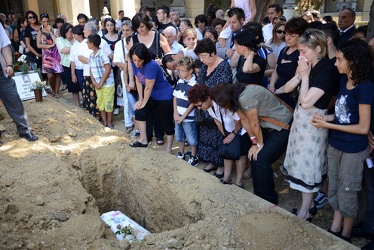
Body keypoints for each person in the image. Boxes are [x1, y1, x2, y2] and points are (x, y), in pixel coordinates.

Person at [311, 38, 374, 242]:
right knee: (336, 186)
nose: (335, 64)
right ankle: (335, 226)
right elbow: (342, 115)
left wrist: (327, 125)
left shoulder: (365, 87)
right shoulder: (342, 81)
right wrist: (325, 118)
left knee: (349, 190)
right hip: (336, 144)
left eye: (339, 59)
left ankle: (345, 236)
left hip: (353, 150)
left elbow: (363, 127)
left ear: (353, 61)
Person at [282, 29, 339, 221]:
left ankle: (304, 212)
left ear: (318, 49)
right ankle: (311, 205)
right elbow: (288, 88)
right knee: (299, 165)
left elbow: (306, 102)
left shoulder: (326, 70)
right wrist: (301, 74)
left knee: (308, 169)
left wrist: (304, 75)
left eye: (304, 51)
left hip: (314, 124)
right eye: (300, 50)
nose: (301, 55)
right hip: (300, 123)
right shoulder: (308, 65)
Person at [213, 83, 293, 204]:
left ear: (226, 99)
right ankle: (259, 194)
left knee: (261, 158)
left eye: (222, 104)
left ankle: (268, 199)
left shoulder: (245, 97)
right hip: (268, 127)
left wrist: (259, 145)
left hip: (282, 127)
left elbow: (254, 123)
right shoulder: (235, 97)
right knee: (253, 156)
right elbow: (245, 120)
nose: (221, 107)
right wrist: (254, 143)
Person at [194, 38, 233, 176]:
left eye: (203, 56)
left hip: (218, 108)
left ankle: (220, 164)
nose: (202, 59)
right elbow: (199, 83)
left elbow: (224, 89)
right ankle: (210, 160)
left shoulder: (223, 66)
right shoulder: (204, 67)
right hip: (206, 108)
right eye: (199, 57)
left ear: (212, 53)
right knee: (206, 136)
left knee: (218, 136)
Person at [128, 43, 174, 153]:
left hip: (164, 95)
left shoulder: (151, 65)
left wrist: (143, 102)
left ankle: (169, 148)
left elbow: (148, 87)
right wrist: (140, 100)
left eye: (139, 60)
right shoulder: (134, 63)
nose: (137, 63)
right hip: (152, 94)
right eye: (134, 60)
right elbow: (138, 81)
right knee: (139, 112)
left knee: (166, 121)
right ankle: (143, 140)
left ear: (145, 58)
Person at [0, 24, 37, 143]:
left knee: (13, 98)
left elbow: (4, 46)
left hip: (1, 71)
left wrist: (9, 64)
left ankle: (24, 130)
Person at [269, 17, 309, 109]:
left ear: (301, 36)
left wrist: (277, 92)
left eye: (292, 35)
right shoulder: (284, 50)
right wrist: (271, 85)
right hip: (276, 92)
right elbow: (276, 69)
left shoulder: (302, 54)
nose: (287, 38)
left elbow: (295, 80)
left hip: (289, 97)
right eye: (286, 34)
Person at [78, 21, 111, 118]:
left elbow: (109, 55)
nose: (83, 32)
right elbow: (79, 56)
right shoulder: (84, 42)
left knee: (101, 98)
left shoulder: (102, 41)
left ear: (90, 31)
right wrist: (91, 61)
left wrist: (97, 61)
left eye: (85, 30)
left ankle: (104, 118)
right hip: (88, 73)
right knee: (90, 97)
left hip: (101, 75)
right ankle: (93, 117)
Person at [173, 56, 198, 167]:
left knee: (191, 137)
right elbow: (175, 97)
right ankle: (181, 153)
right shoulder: (179, 81)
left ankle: (193, 156)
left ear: (191, 70)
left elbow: (193, 103)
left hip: (188, 117)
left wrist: (183, 116)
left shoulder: (195, 84)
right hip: (177, 116)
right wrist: (175, 113)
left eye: (183, 71)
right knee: (179, 136)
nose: (181, 73)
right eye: (180, 70)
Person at [113, 20, 137, 134]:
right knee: (127, 98)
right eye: (123, 30)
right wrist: (128, 69)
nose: (126, 32)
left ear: (132, 30)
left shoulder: (137, 41)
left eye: (128, 30)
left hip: (139, 73)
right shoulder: (119, 44)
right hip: (125, 73)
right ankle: (128, 123)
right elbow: (116, 61)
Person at [87, 34, 115, 129]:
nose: (87, 43)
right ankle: (105, 122)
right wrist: (94, 81)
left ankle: (110, 123)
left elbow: (108, 69)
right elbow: (91, 69)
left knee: (108, 104)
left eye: (88, 42)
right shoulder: (91, 55)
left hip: (107, 85)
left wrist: (101, 83)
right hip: (98, 84)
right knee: (101, 103)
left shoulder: (102, 55)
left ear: (92, 44)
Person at [37, 13, 63, 98]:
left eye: (47, 21)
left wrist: (51, 32)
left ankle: (56, 92)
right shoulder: (40, 32)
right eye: (44, 22)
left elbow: (57, 42)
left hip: (55, 54)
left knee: (57, 74)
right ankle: (53, 89)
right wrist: (49, 46)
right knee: (50, 76)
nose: (46, 23)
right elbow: (39, 45)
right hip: (46, 56)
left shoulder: (55, 31)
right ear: (41, 22)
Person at [56, 23, 80, 106]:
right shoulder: (59, 40)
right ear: (65, 32)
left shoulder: (76, 39)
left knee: (81, 84)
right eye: (70, 31)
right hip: (67, 65)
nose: (72, 33)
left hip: (79, 64)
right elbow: (64, 50)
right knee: (73, 86)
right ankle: (77, 104)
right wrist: (77, 48)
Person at [69, 25, 85, 95]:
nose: (73, 35)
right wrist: (73, 74)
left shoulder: (87, 43)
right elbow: (72, 60)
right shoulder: (74, 45)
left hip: (87, 69)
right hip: (79, 70)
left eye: (74, 34)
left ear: (80, 34)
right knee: (82, 88)